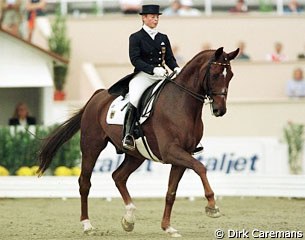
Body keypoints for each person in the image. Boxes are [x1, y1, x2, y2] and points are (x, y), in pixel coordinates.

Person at [122, 4, 181, 150]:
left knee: (178, 97)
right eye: (153, 17)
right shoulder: (136, 37)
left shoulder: (163, 37)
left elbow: (169, 58)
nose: (156, 20)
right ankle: (128, 134)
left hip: (161, 75)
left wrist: (176, 68)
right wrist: (152, 69)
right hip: (143, 75)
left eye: (157, 17)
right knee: (135, 98)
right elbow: (135, 59)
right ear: (144, 18)